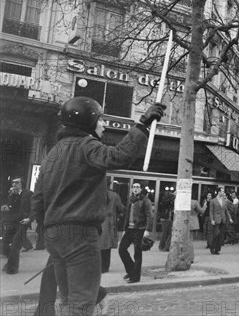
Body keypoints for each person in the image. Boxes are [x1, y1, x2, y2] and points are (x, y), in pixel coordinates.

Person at [27, 96, 164, 315]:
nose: (104, 124)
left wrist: (47, 231)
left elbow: (38, 198)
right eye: (100, 119)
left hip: (55, 236)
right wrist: (142, 124)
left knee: (67, 298)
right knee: (81, 303)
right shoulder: (86, 144)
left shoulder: (52, 153)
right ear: (88, 121)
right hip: (81, 235)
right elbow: (118, 157)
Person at [118, 182, 153, 284]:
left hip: (139, 229)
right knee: (122, 249)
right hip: (129, 229)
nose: (135, 189)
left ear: (141, 189)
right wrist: (125, 228)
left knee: (137, 253)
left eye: (137, 187)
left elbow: (149, 215)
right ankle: (132, 271)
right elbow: (127, 215)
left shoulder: (145, 200)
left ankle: (135, 277)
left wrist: (147, 229)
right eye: (133, 187)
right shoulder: (130, 199)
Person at [1, 177, 32, 274]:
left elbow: (34, 207)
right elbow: (10, 207)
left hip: (23, 221)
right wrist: (7, 206)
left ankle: (12, 268)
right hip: (12, 221)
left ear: (21, 184)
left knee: (15, 244)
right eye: (13, 183)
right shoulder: (12, 194)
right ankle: (10, 262)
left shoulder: (28, 194)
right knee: (4, 243)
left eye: (16, 183)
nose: (14, 185)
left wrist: (30, 218)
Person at [100, 178, 124, 273]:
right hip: (109, 222)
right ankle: (105, 267)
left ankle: (97, 266)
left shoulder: (96, 194)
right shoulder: (114, 195)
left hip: (97, 222)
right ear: (110, 184)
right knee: (107, 245)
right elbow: (121, 208)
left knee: (97, 245)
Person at [209, 187, 232, 255]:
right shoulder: (213, 201)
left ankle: (217, 249)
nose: (223, 193)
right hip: (216, 220)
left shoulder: (224, 200)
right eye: (222, 191)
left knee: (221, 236)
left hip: (223, 219)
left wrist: (230, 218)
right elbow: (211, 211)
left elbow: (226, 210)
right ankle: (212, 247)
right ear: (219, 192)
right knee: (216, 234)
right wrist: (212, 219)